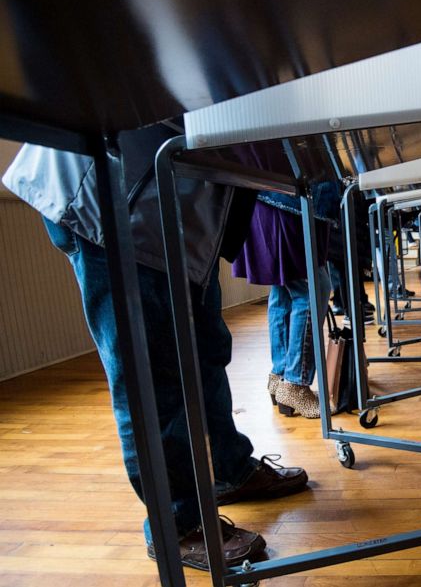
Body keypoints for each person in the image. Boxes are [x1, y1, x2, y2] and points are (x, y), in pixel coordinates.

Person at [2, 124, 309, 571]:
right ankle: (177, 526)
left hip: (170, 204)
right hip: (112, 198)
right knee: (149, 377)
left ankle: (229, 469)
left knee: (206, 349)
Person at [233, 182, 340, 419]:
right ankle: (295, 384)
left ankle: (280, 377)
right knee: (312, 285)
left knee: (284, 287)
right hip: (290, 198)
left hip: (266, 194)